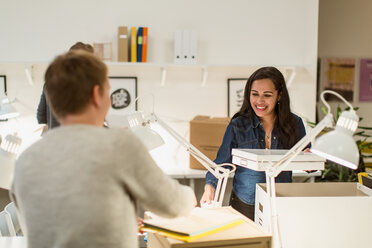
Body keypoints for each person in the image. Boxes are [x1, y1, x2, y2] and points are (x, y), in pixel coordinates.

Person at [11, 51, 196, 248]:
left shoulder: (25, 161)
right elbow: (172, 204)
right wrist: (189, 196)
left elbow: (57, 222)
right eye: (108, 91)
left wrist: (120, 218)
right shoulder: (119, 145)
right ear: (96, 96)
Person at [200, 66, 307, 220]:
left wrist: (309, 159)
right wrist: (209, 188)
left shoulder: (294, 123)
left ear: (279, 95)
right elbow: (221, 164)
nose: (259, 101)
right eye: (254, 94)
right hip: (244, 204)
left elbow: (306, 160)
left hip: (280, 204)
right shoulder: (238, 125)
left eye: (267, 95)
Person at [36, 42, 94, 130]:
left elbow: (41, 117)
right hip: (81, 141)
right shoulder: (89, 86)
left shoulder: (49, 84)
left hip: (55, 139)